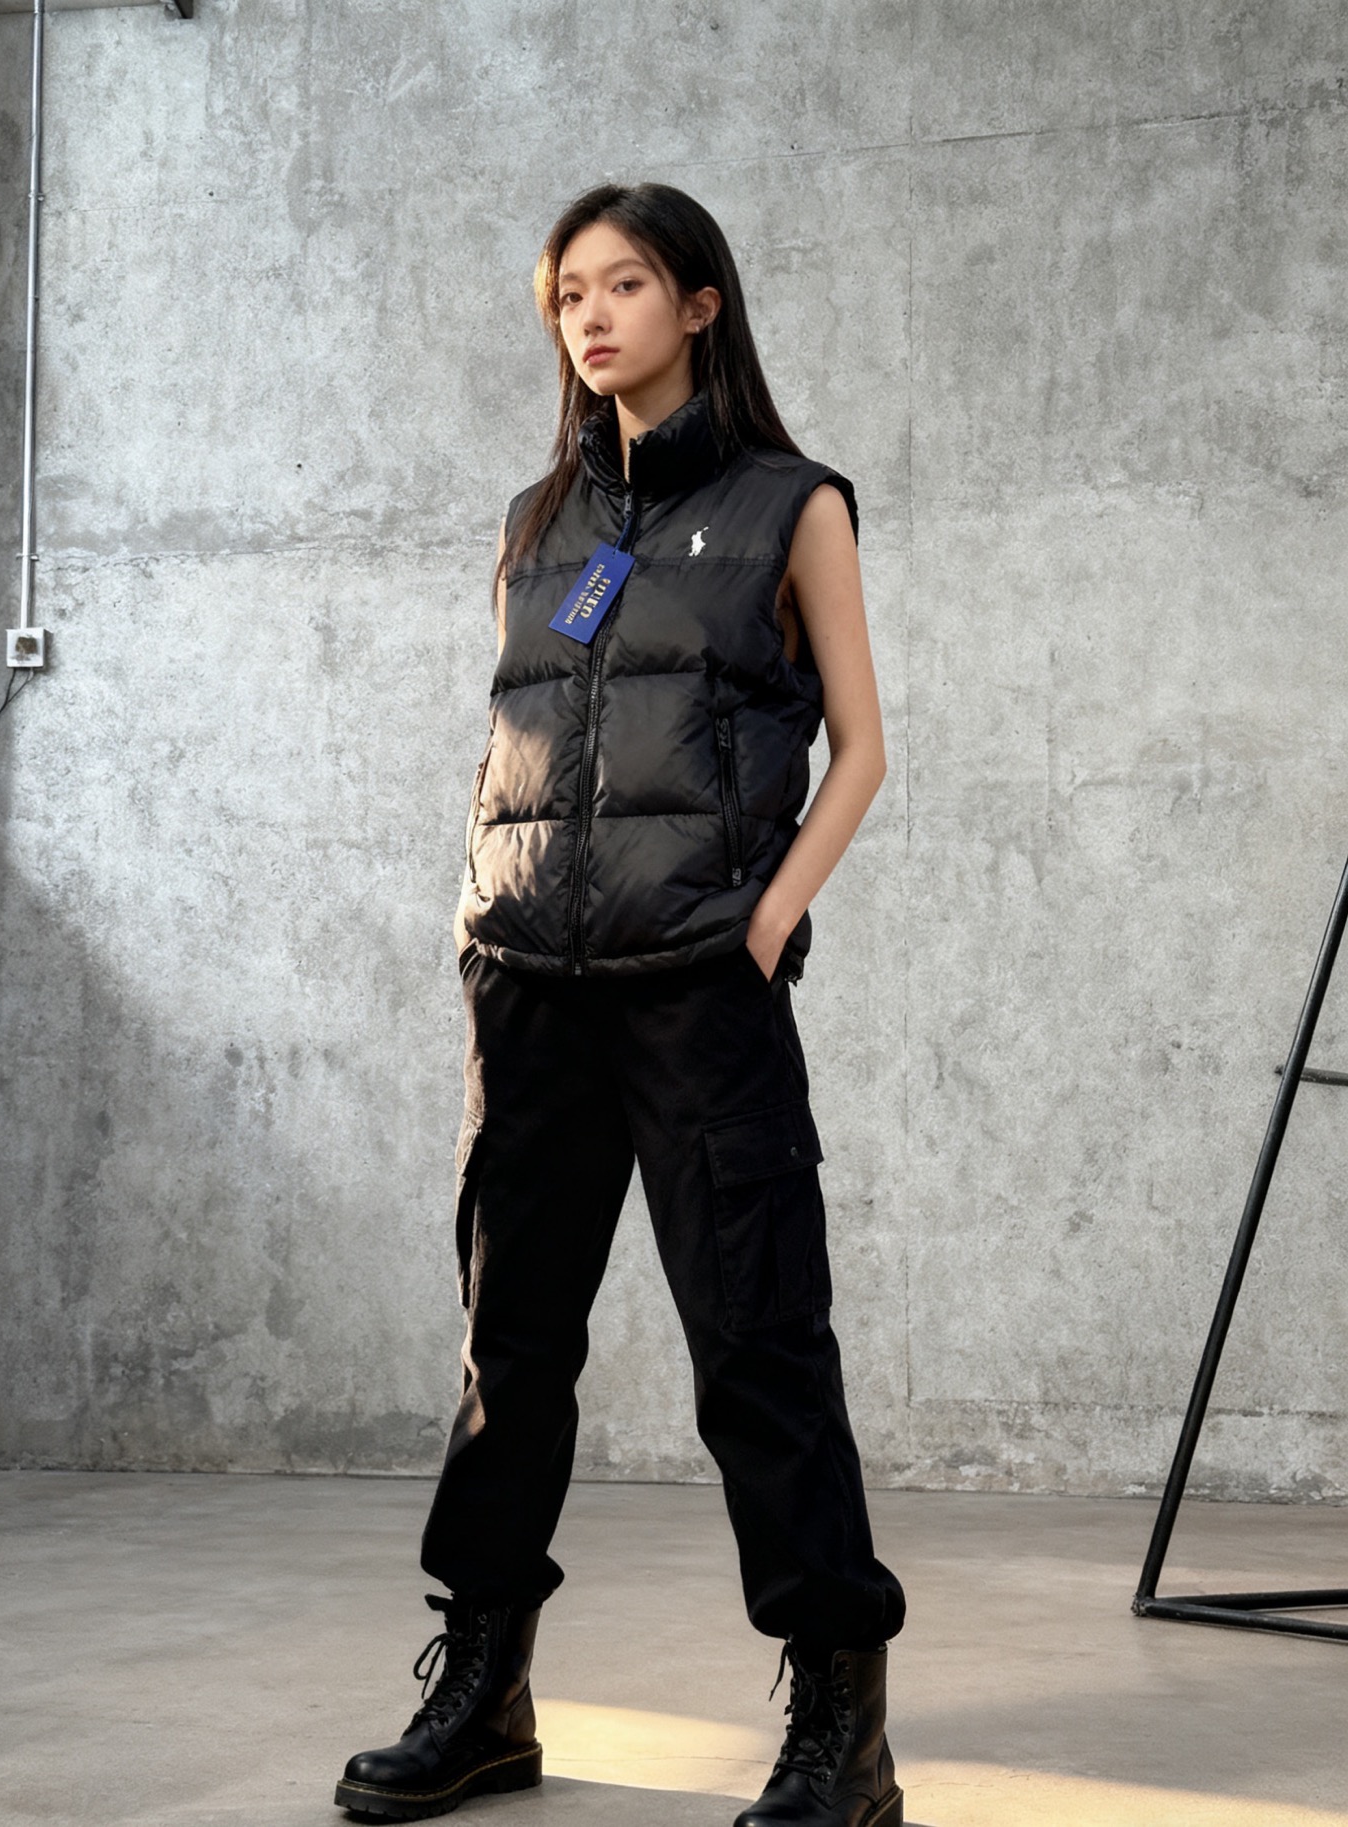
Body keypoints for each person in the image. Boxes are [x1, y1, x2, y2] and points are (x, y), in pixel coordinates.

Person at [334, 182, 906, 1827]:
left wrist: (766, 921)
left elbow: (864, 745)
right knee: (509, 1354)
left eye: (626, 285)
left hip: (697, 992)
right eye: (568, 294)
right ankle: (487, 1693)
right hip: (528, 989)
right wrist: (481, 913)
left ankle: (845, 1734)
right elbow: (515, 740)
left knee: (760, 1348)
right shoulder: (540, 520)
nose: (591, 317)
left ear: (700, 304)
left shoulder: (793, 506)